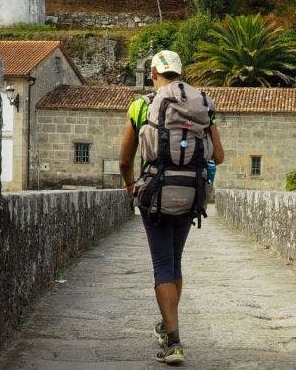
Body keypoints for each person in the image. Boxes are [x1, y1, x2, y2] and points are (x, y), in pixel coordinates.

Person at [119, 50, 224, 365]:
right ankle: (168, 327)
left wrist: (128, 185)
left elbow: (125, 158)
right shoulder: (203, 104)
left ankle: (173, 342)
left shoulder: (141, 105)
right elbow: (218, 155)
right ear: (181, 73)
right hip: (191, 194)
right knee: (175, 263)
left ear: (153, 73)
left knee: (162, 266)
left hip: (155, 194)